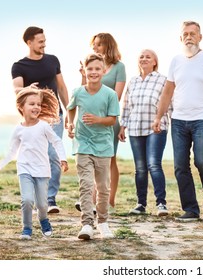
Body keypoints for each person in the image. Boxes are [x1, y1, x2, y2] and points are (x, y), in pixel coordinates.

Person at [152, 21, 203, 222]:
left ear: (200, 37)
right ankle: (191, 210)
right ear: (180, 38)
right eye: (185, 34)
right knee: (180, 166)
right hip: (178, 120)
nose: (189, 37)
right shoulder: (176, 61)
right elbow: (168, 91)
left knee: (202, 161)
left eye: (193, 33)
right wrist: (159, 117)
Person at [0, 88, 69, 239]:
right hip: (24, 169)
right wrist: (0, 164)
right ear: (21, 106)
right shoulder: (18, 129)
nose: (36, 107)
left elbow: (57, 141)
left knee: (42, 204)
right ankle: (26, 228)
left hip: (42, 170)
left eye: (38, 104)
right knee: (27, 200)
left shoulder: (44, 126)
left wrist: (63, 159)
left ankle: (44, 219)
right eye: (32, 104)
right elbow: (12, 152)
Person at [11, 26, 69, 214]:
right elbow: (16, 89)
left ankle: (50, 198)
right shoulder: (19, 66)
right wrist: (28, 89)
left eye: (44, 41)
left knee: (53, 155)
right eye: (40, 41)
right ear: (29, 42)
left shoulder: (53, 60)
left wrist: (69, 112)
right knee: (36, 157)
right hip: (32, 119)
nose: (44, 44)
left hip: (55, 116)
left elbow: (61, 87)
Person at [67, 53, 120, 240]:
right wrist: (70, 124)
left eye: (98, 69)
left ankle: (103, 222)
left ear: (104, 71)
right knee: (86, 185)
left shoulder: (110, 94)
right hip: (82, 144)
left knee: (103, 187)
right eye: (90, 69)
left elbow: (112, 120)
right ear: (84, 70)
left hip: (103, 146)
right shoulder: (78, 92)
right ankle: (87, 224)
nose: (94, 72)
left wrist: (97, 120)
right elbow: (71, 108)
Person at [74, 33, 126, 213]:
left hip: (108, 119)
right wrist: (83, 74)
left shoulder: (119, 67)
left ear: (108, 46)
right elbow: (82, 92)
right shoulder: (90, 66)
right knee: (88, 158)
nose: (95, 48)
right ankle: (91, 199)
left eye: (98, 45)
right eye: (93, 45)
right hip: (88, 122)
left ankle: (108, 200)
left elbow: (117, 96)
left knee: (108, 159)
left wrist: (101, 115)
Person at [119, 49, 169, 217]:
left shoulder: (163, 80)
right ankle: (141, 204)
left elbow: (169, 102)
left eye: (148, 57)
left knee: (154, 164)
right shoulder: (132, 81)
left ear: (155, 62)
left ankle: (161, 204)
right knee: (140, 168)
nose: (144, 59)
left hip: (156, 127)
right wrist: (122, 126)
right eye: (141, 56)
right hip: (135, 128)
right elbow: (126, 105)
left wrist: (161, 119)